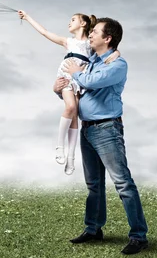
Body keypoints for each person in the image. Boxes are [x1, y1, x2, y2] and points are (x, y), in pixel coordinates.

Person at [54, 17, 149, 255]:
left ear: (108, 38)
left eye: (95, 32)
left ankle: (138, 236)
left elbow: (92, 83)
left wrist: (76, 72)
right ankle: (93, 229)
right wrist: (59, 91)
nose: (91, 35)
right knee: (93, 185)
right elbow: (80, 92)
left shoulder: (117, 65)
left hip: (107, 129)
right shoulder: (95, 61)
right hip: (87, 129)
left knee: (123, 183)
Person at [18, 10, 120, 175]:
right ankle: (60, 146)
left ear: (83, 23)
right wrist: (28, 17)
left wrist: (116, 54)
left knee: (74, 116)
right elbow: (44, 32)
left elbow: (108, 50)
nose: (69, 23)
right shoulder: (68, 42)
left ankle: (71, 157)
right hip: (66, 75)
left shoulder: (90, 43)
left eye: (73, 19)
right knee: (70, 107)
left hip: (79, 77)